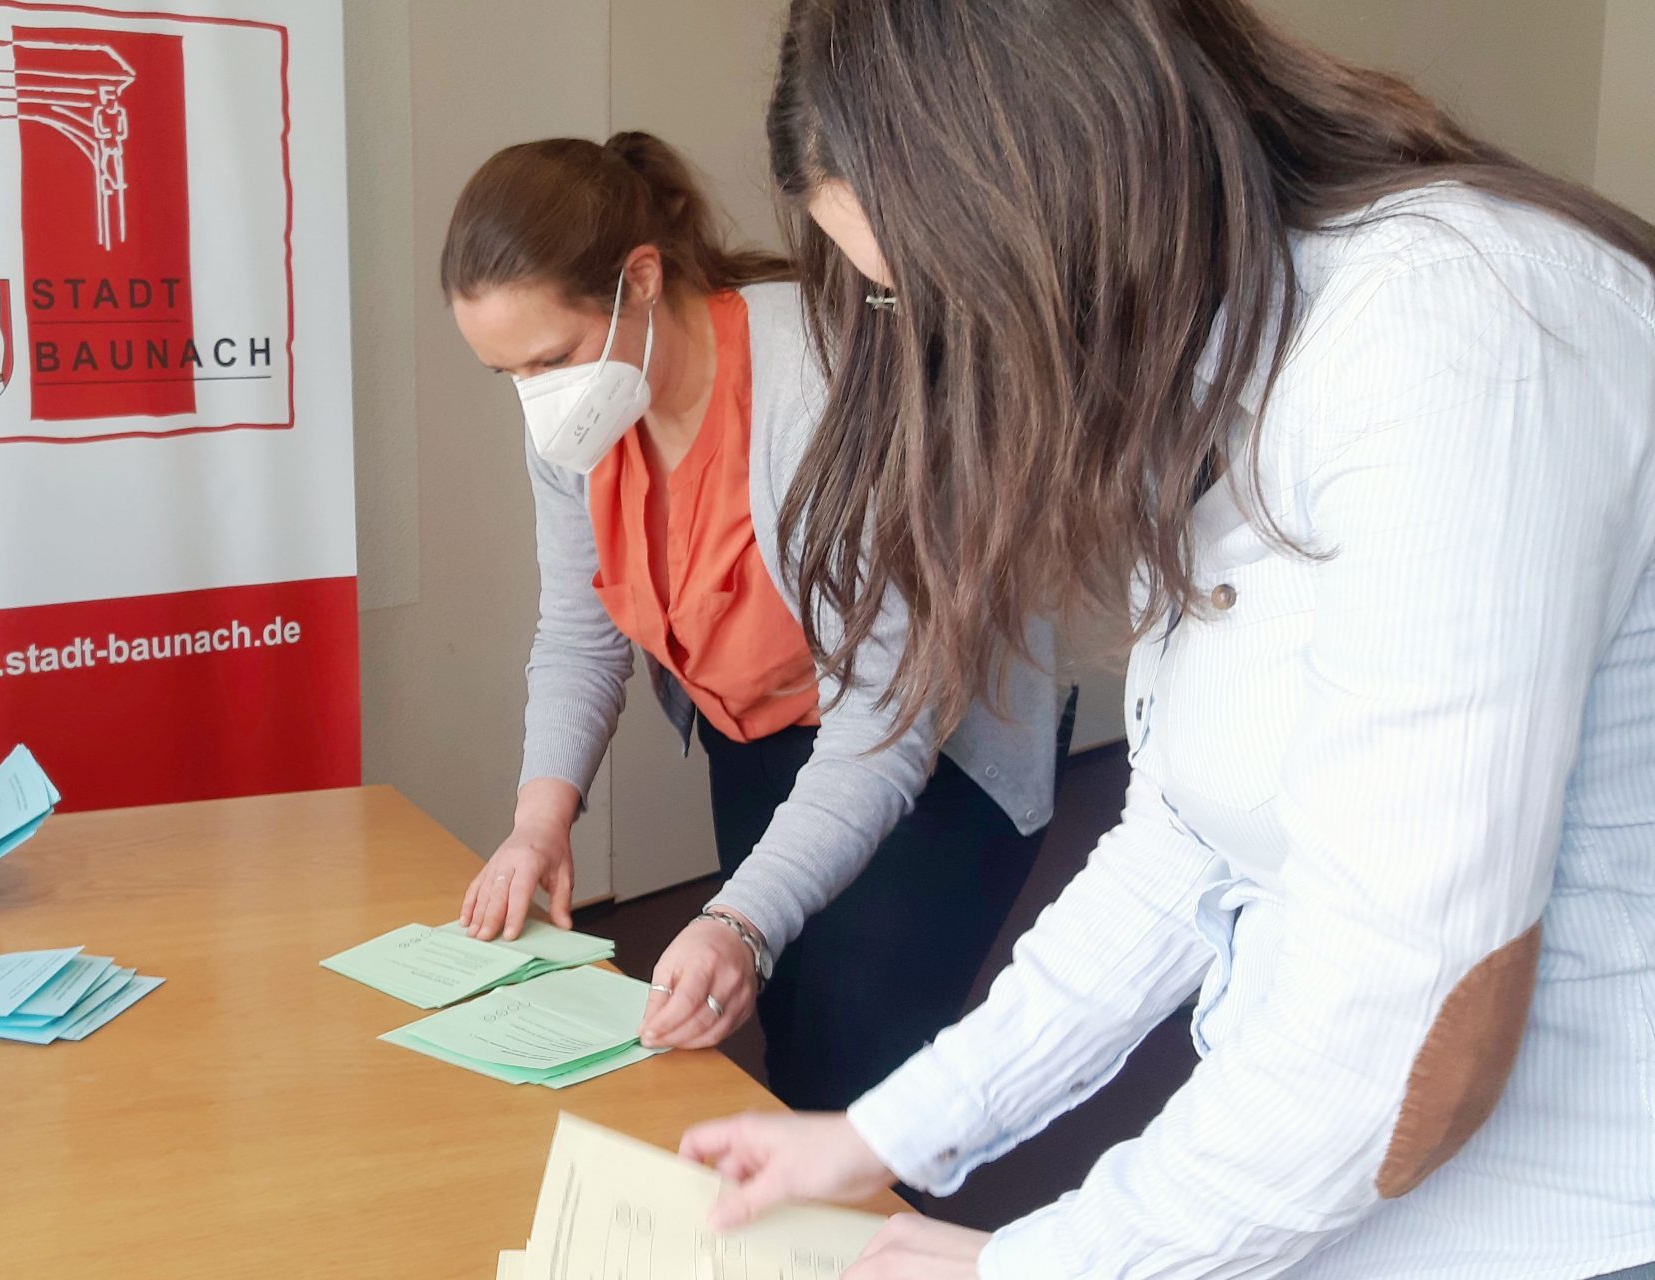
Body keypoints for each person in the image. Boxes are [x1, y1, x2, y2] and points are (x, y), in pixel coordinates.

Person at [679, 1, 1655, 1276]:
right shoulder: (1221, 359)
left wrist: (1031, 1264)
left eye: (928, 285)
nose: (938, 340)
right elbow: (1180, 843)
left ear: (1058, 188)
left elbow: (1408, 1023)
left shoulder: (1448, 329)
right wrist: (877, 1133)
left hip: (1563, 1220)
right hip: (1328, 1191)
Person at [440, 134, 1067, 1111]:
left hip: (929, 743)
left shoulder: (815, 382)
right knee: (786, 1014)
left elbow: (882, 723)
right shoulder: (576, 423)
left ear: (640, 279)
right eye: (506, 373)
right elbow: (579, 629)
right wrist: (538, 821)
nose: (537, 395)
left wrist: (739, 917)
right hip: (763, 732)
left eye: (550, 357)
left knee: (857, 1061)